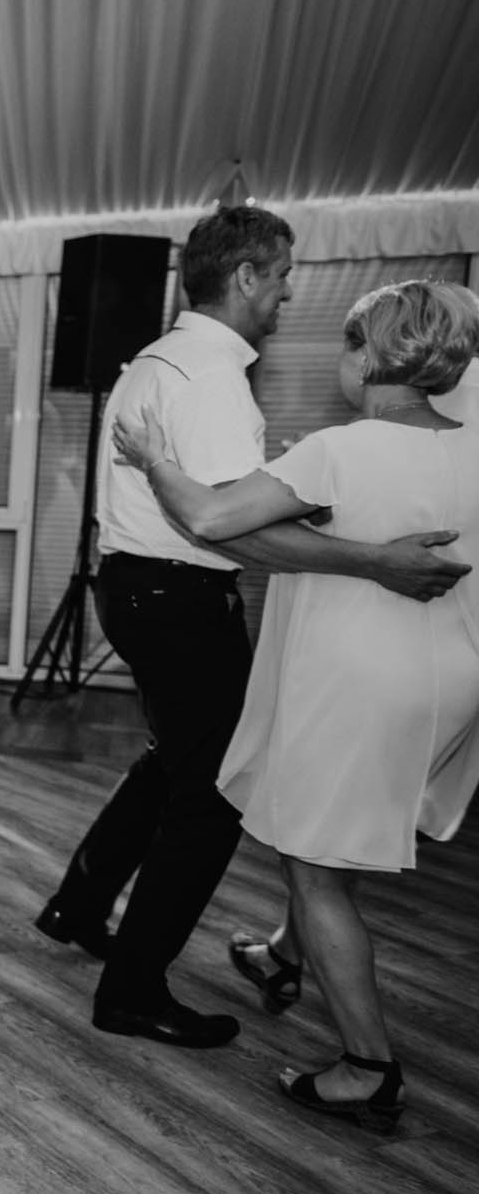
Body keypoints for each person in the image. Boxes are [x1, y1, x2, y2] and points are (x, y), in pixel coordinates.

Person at [33, 206, 469, 1051]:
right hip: (178, 597)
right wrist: (374, 561)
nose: (287, 293)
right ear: (244, 277)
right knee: (213, 797)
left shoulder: (159, 357)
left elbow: (221, 508)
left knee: (175, 760)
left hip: (139, 590)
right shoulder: (212, 377)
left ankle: (77, 906)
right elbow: (227, 529)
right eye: (281, 276)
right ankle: (132, 991)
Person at [114, 279, 479, 1128]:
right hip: (450, 678)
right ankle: (283, 953)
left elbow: (211, 518)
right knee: (335, 825)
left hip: (361, 677)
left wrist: (152, 456)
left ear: (370, 354)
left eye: (347, 346)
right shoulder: (472, 448)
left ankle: (367, 1065)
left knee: (313, 866)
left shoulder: (340, 450)